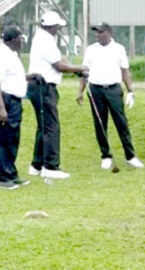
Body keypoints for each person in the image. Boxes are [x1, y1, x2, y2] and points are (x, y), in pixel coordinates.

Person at [27, 11, 88, 179]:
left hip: (39, 86)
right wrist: (81, 68)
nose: (58, 29)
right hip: (43, 87)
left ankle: (36, 165)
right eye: (58, 27)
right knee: (51, 127)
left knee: (43, 125)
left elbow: (60, 58)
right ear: (52, 27)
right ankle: (51, 167)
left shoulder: (43, 37)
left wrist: (75, 68)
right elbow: (59, 66)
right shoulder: (45, 40)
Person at [76, 23, 144, 170]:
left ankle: (130, 156)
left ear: (109, 33)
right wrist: (80, 91)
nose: (97, 35)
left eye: (100, 32)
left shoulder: (118, 49)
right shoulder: (91, 49)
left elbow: (125, 71)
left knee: (121, 123)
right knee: (100, 124)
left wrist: (130, 90)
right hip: (95, 90)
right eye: (96, 32)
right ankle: (106, 155)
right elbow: (84, 71)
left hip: (113, 89)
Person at [0, 26, 41, 189]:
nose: (21, 42)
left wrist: (30, 77)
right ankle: (3, 178)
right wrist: (1, 108)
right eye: (20, 39)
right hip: (5, 100)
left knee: (13, 138)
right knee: (4, 139)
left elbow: (12, 77)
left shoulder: (11, 55)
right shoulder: (0, 56)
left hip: (14, 101)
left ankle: (11, 172)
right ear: (13, 40)